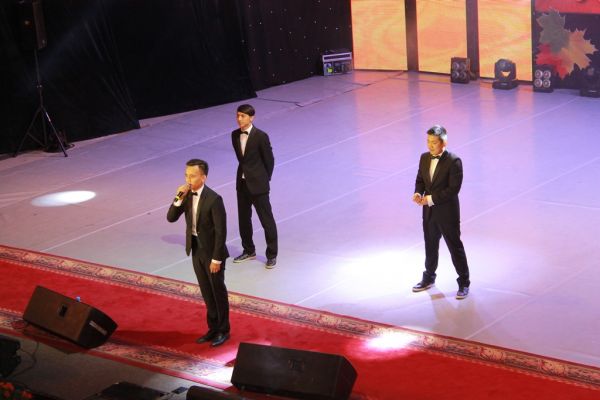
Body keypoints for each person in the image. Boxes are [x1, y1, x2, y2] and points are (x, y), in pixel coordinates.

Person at [167, 159, 231, 346]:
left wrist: (217, 259)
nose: (188, 179)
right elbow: (171, 217)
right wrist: (178, 197)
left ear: (203, 177)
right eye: (186, 175)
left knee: (217, 292)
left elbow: (221, 231)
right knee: (206, 291)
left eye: (192, 176)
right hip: (196, 249)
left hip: (212, 253)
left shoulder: (214, 199)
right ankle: (213, 328)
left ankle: (223, 330)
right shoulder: (186, 195)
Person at [412, 125, 470, 299]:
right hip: (429, 212)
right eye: (428, 141)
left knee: (454, 246)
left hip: (447, 213)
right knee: (430, 245)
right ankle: (429, 277)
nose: (430, 145)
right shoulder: (424, 157)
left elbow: (453, 190)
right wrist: (418, 193)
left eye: (434, 142)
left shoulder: (454, 161)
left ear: (444, 142)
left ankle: (464, 283)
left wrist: (429, 199)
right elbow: (420, 179)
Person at [231, 104, 278, 269]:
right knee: (243, 219)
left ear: (251, 118)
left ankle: (272, 255)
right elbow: (242, 160)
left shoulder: (261, 136)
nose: (239, 119)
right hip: (242, 184)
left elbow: (269, 160)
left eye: (243, 116)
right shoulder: (234, 135)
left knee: (266, 220)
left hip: (258, 185)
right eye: (238, 115)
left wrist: (264, 179)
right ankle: (248, 250)